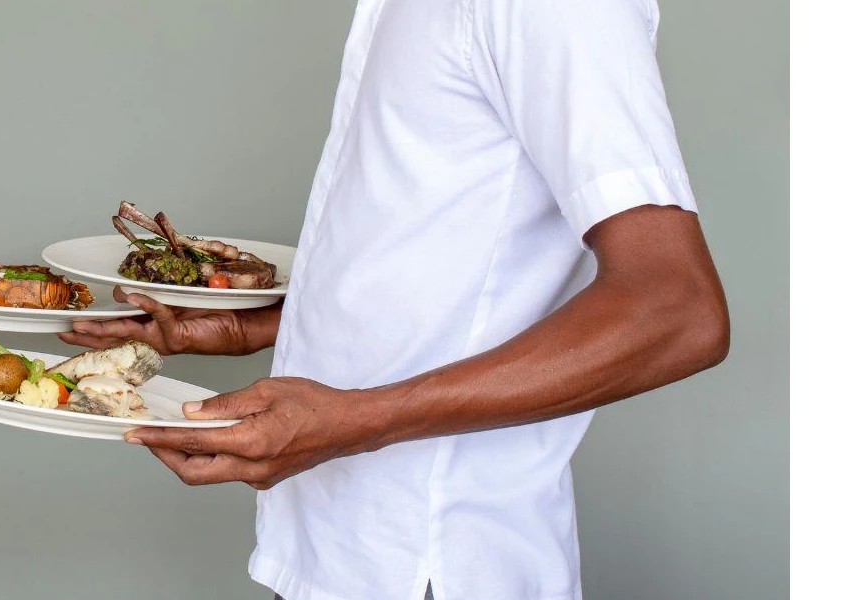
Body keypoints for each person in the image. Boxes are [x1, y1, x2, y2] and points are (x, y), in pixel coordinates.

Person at [61, 0, 729, 599]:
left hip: (436, 565)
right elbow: (444, 255)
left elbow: (676, 309)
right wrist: (259, 327)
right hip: (335, 553)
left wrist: (361, 420)